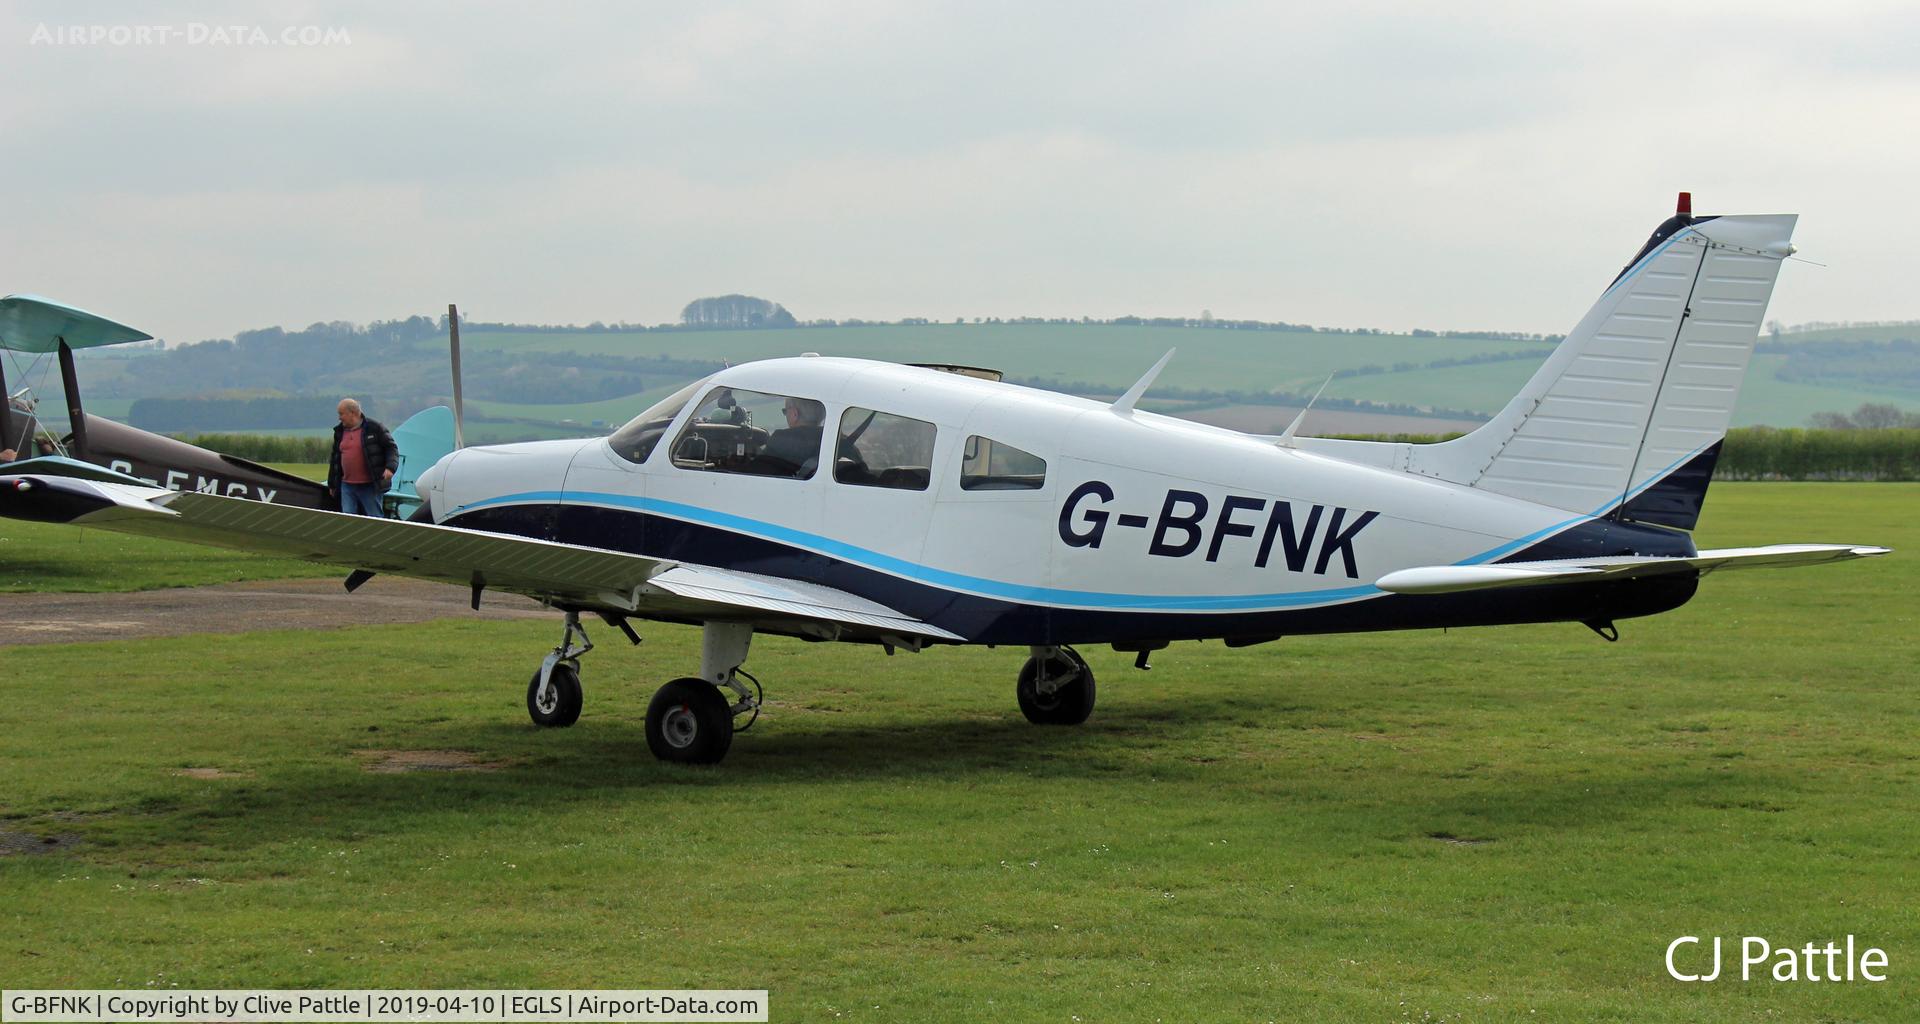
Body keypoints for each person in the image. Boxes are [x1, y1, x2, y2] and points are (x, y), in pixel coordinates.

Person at [327, 398, 398, 516]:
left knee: (374, 518)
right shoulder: (339, 432)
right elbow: (335, 458)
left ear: (353, 413)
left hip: (370, 485)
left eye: (341, 414)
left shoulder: (374, 428)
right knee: (348, 519)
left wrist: (390, 468)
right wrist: (332, 484)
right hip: (347, 486)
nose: (339, 418)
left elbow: (391, 448)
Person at [761, 397, 825, 476]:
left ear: (794, 414)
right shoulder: (831, 441)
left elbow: (754, 471)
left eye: (785, 411)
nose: (786, 415)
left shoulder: (779, 442)